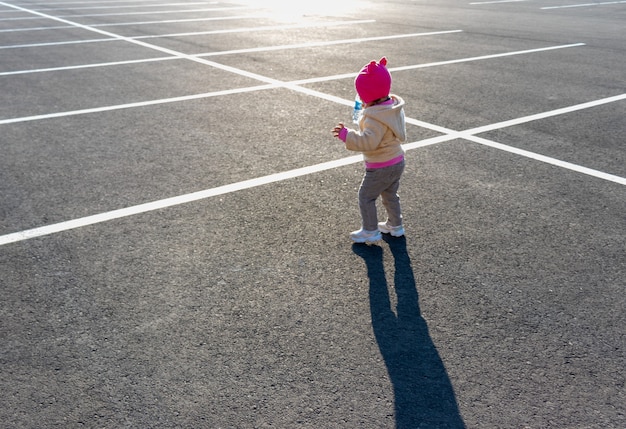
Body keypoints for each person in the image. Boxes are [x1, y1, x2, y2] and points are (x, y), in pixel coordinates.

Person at [332, 57, 407, 243]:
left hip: (381, 165)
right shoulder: (390, 108)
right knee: (390, 194)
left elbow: (368, 142)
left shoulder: (374, 118)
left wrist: (346, 135)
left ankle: (370, 230)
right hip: (397, 160)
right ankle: (395, 225)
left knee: (366, 197)